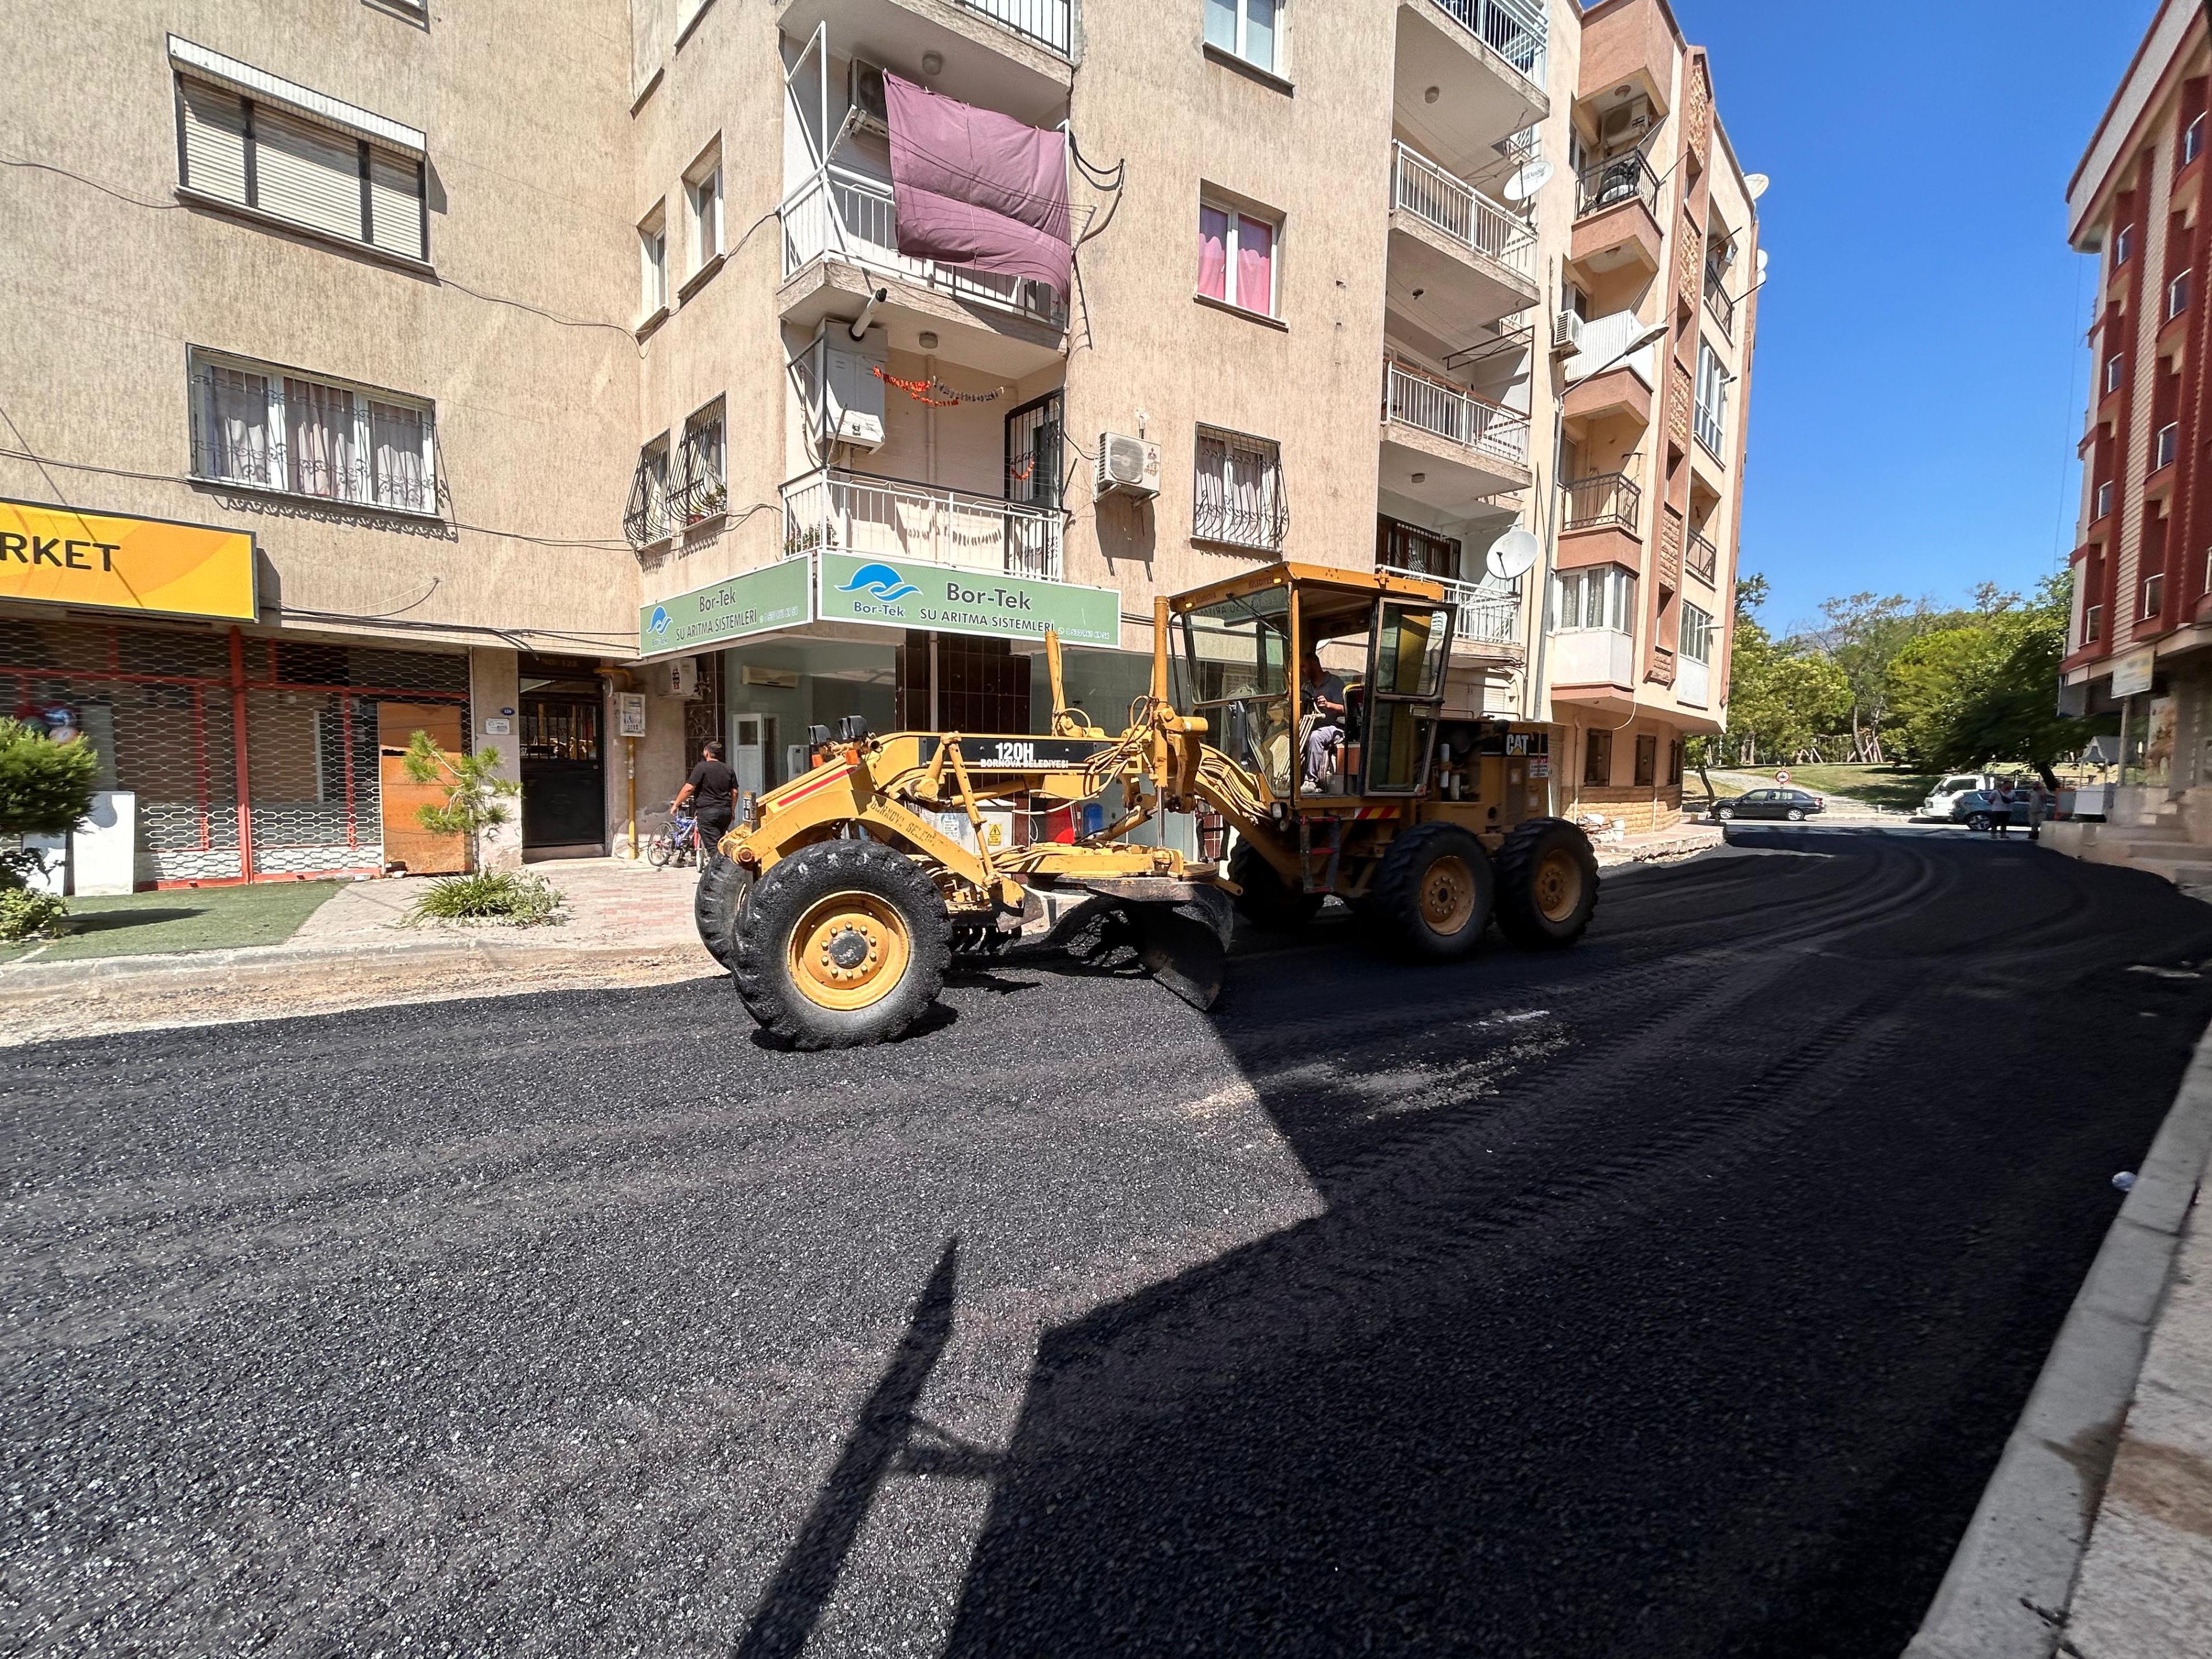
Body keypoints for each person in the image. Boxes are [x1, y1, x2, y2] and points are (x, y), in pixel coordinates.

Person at [674, 739, 738, 858]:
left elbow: (689, 788)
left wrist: (676, 804)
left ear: (706, 752)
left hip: (708, 813)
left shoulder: (701, 767)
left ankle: (719, 873)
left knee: (713, 848)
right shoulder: (729, 769)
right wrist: (732, 810)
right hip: (725, 812)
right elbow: (734, 792)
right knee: (720, 842)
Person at [1299, 649, 1349, 790]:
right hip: (1310, 725)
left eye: (1304, 666)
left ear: (1315, 664)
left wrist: (1328, 705)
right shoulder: (1306, 687)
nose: (1302, 670)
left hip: (1334, 727)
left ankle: (1311, 781)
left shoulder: (1335, 683)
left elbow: (1346, 709)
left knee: (1316, 737)